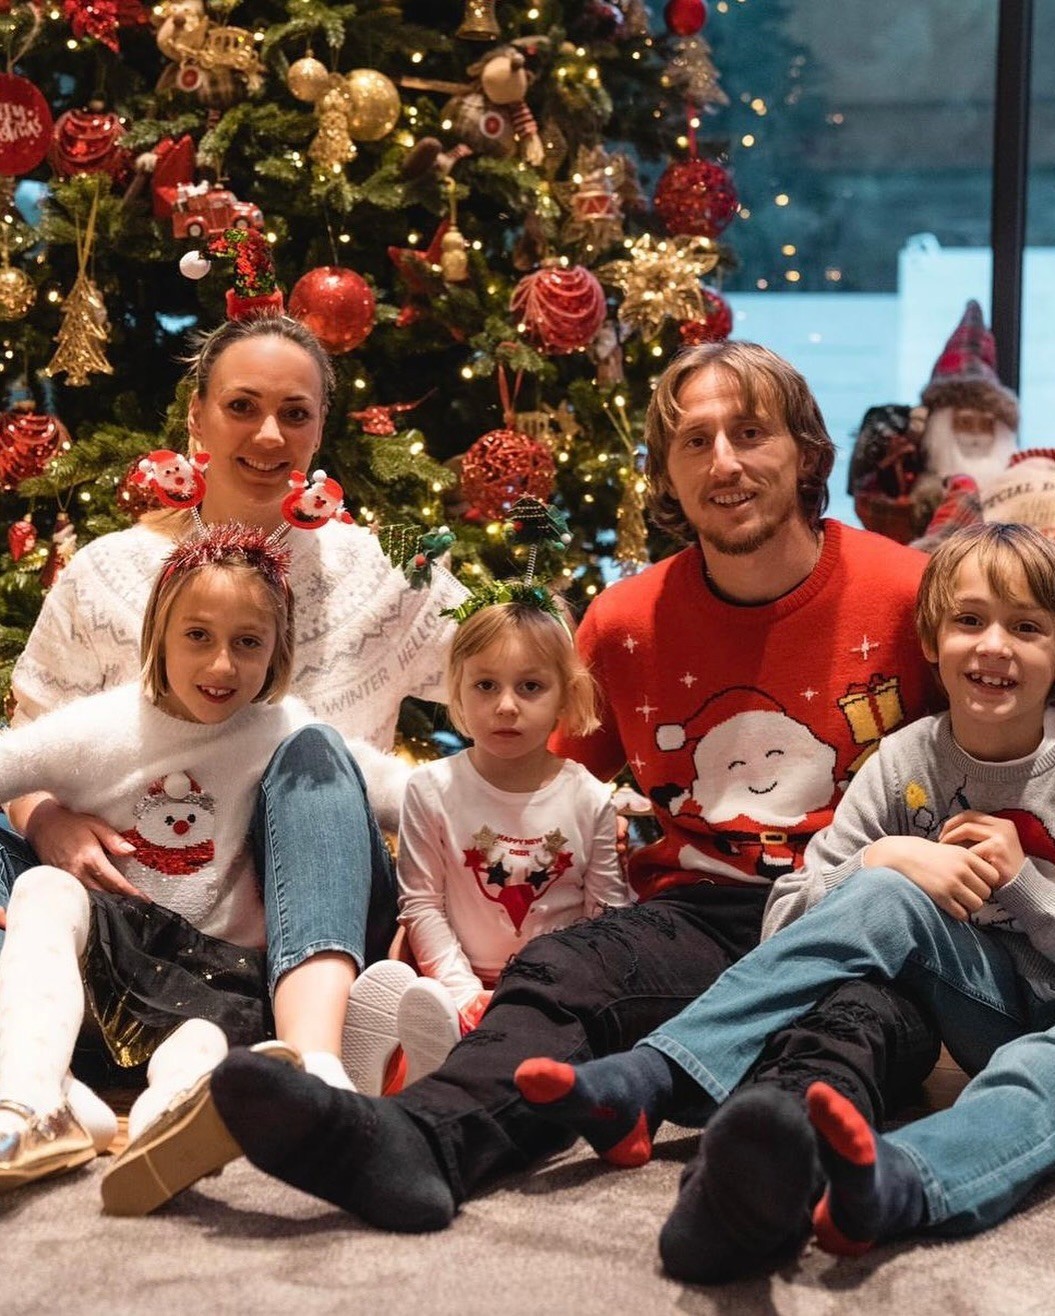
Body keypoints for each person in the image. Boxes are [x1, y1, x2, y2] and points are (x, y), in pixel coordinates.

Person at [207, 340, 941, 1253]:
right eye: (695, 442)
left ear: (802, 451)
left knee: (848, 1033)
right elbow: (528, 790)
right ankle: (422, 1140)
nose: (724, 463)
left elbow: (995, 751)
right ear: (664, 479)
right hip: (695, 916)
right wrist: (442, 903)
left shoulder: (907, 596)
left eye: (750, 434)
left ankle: (749, 1186)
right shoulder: (623, 622)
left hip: (862, 918)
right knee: (563, 973)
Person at [514, 521, 1055, 1274]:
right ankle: (653, 1076)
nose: (993, 645)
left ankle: (892, 1183)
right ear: (931, 640)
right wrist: (881, 857)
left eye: (1025, 627)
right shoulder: (905, 757)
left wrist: (1026, 885)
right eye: (968, 620)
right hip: (981, 997)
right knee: (885, 894)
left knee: (1041, 1078)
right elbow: (788, 917)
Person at [1, 314, 465, 1101]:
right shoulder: (106, 571)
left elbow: (520, 681)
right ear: (196, 417)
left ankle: (313, 1059)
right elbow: (25, 750)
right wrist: (46, 820)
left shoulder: (381, 574)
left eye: (296, 413)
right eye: (242, 406)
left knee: (308, 755)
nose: (269, 435)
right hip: (122, 917)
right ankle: (41, 1079)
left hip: (305, 938)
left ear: (322, 430)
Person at [0, 524, 403, 1212]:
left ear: (278, 650)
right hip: (114, 967)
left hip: (223, 985)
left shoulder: (281, 728)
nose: (221, 666)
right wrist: (42, 817)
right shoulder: (100, 729)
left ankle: (166, 1121)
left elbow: (409, 797)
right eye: (197, 637)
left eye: (247, 642)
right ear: (157, 632)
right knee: (41, 883)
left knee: (200, 1044)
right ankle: (30, 1100)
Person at [392, 587, 631, 1085]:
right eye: (485, 686)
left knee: (562, 1045)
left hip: (556, 989)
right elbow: (421, 905)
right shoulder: (430, 789)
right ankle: (429, 1043)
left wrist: (554, 990)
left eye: (529, 687)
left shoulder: (589, 797)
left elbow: (605, 915)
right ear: (456, 689)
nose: (505, 706)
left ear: (565, 692)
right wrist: (462, 994)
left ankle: (481, 1061)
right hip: (454, 979)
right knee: (406, 983)